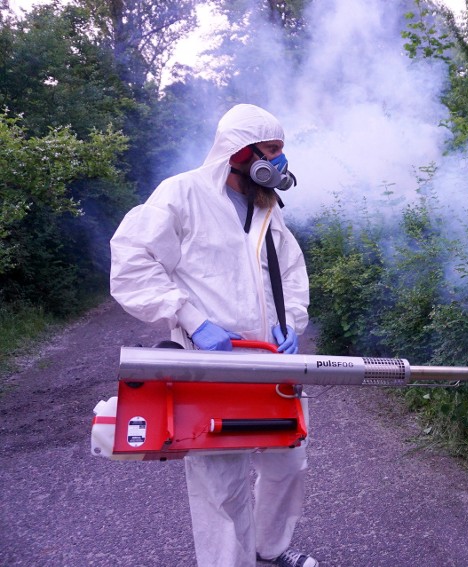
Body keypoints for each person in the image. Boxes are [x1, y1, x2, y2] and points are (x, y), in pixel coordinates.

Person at [109, 103, 316, 567]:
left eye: (282, 151)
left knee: (288, 465)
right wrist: (191, 320)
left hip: (272, 365)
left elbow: (292, 276)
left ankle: (269, 551)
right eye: (272, 151)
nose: (280, 162)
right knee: (221, 486)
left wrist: (290, 323)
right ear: (240, 152)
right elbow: (132, 261)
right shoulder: (181, 195)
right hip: (210, 364)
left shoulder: (269, 211)